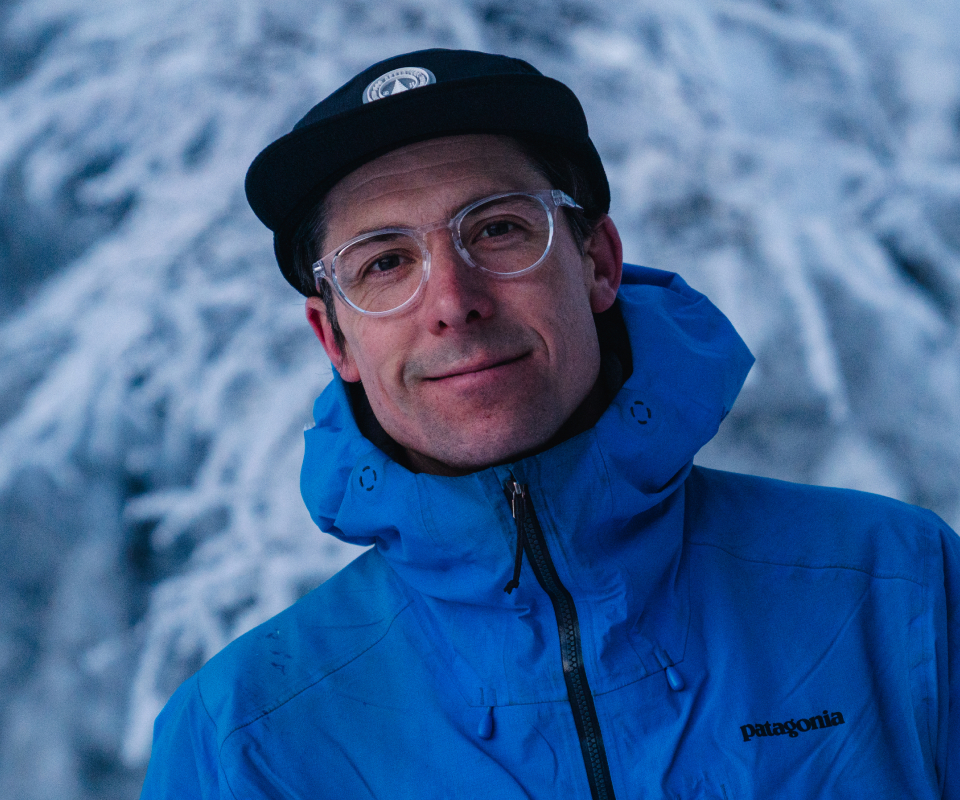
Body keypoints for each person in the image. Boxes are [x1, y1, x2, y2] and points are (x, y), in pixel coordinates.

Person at [140, 49, 959, 799]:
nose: (453, 302)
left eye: (497, 229)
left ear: (598, 261)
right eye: (384, 263)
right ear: (335, 339)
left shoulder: (898, 588)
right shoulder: (244, 737)